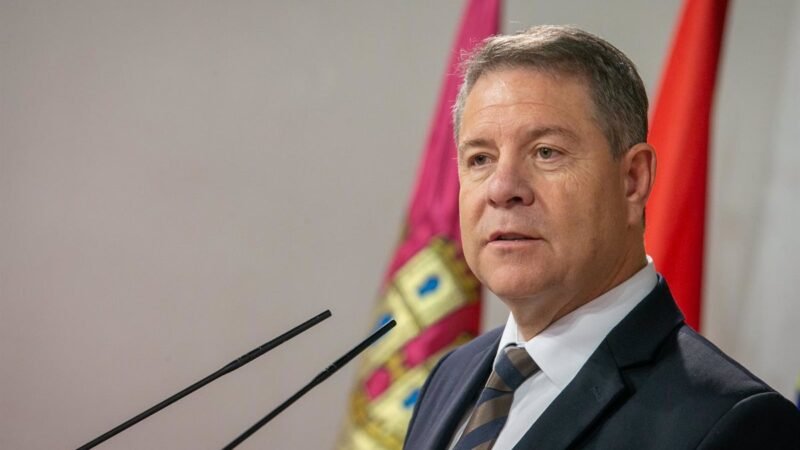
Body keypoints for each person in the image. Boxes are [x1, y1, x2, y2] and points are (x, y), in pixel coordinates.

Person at [403, 25, 800, 450]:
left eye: (546, 152)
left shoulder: (736, 424)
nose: (503, 188)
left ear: (633, 180)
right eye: (480, 158)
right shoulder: (449, 376)